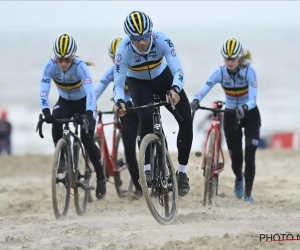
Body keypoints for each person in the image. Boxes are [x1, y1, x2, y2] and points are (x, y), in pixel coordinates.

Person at [113, 11, 193, 197]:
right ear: (129, 37)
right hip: (138, 83)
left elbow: (178, 71)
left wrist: (175, 89)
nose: (141, 41)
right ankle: (147, 169)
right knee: (146, 118)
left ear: (151, 32)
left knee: (186, 119)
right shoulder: (123, 49)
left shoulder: (163, 40)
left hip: (162, 78)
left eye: (145, 36)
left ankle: (182, 173)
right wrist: (119, 102)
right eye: (136, 38)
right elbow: (118, 83)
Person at [190, 37, 261, 202]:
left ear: (239, 57)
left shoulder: (249, 72)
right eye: (227, 59)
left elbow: (253, 99)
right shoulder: (220, 73)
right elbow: (205, 87)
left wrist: (244, 107)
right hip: (230, 115)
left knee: (250, 154)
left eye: (233, 59)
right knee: (236, 158)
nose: (230, 62)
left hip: (249, 114)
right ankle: (238, 177)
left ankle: (248, 194)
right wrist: (195, 100)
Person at [39, 33, 106, 199]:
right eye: (59, 59)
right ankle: (62, 157)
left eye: (67, 60)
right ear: (55, 58)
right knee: (56, 120)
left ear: (73, 57)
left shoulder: (80, 66)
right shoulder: (49, 66)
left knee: (86, 137)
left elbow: (91, 93)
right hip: (65, 102)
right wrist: (46, 112)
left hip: (85, 103)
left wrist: (88, 114)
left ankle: (101, 177)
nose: (62, 63)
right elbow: (43, 91)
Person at [95, 37, 142, 198]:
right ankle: (138, 187)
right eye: (114, 59)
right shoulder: (112, 72)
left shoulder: (138, 68)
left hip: (140, 108)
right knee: (129, 151)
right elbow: (98, 88)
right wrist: (88, 105)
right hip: (126, 111)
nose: (119, 62)